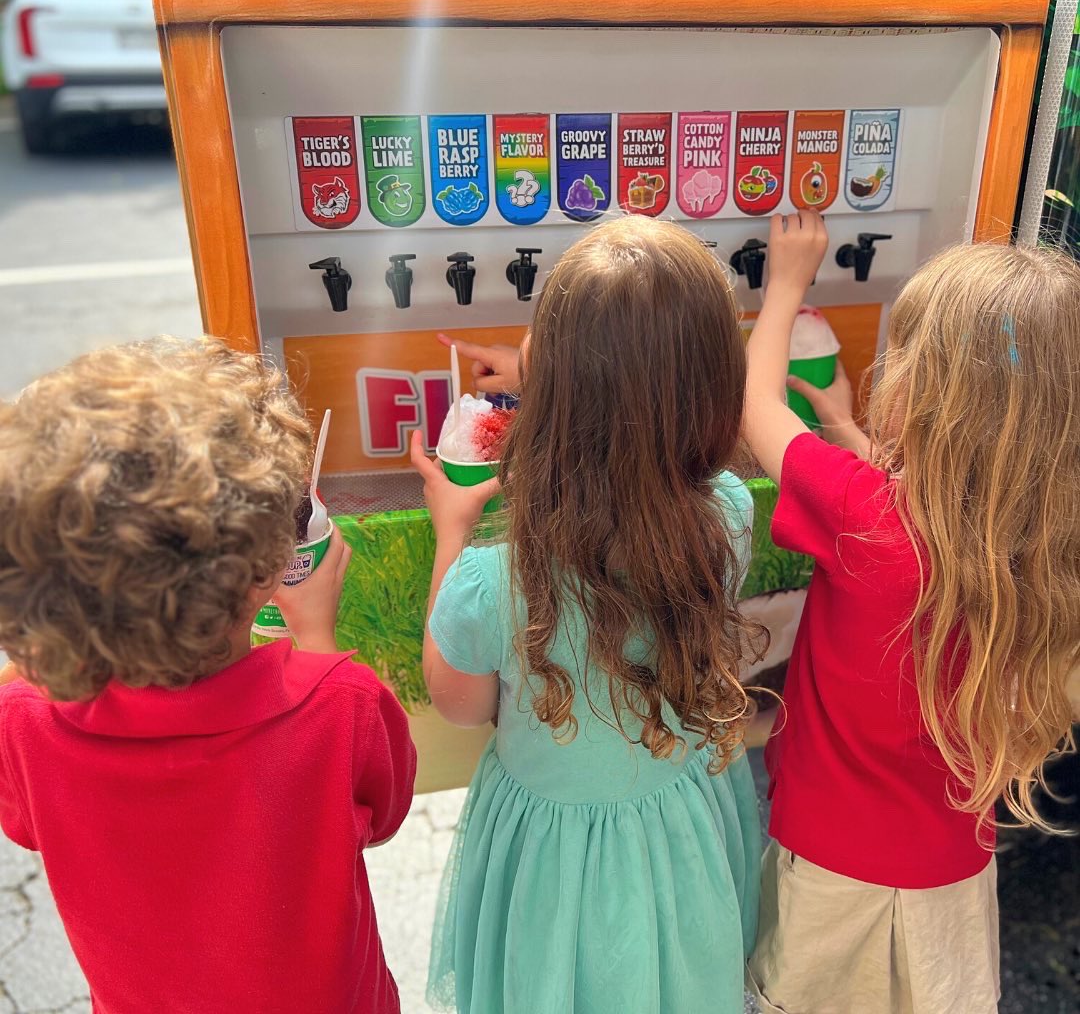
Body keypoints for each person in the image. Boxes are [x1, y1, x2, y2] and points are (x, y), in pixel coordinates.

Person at [0, 337, 416, 1014]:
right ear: (261, 575)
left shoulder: (21, 717)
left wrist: (53, 623)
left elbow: (24, 819)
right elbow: (383, 813)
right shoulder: (338, 702)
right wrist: (314, 636)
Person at [415, 216, 766, 1014]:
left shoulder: (492, 580)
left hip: (549, 858)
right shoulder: (730, 515)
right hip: (679, 828)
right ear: (717, 387)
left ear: (554, 395)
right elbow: (637, 397)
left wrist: (451, 532)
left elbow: (458, 702)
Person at [742, 212, 1080, 1014]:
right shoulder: (1049, 551)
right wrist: (846, 428)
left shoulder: (866, 517)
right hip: (952, 881)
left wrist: (785, 282)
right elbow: (954, 516)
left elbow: (757, 402)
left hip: (828, 880)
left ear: (926, 390)